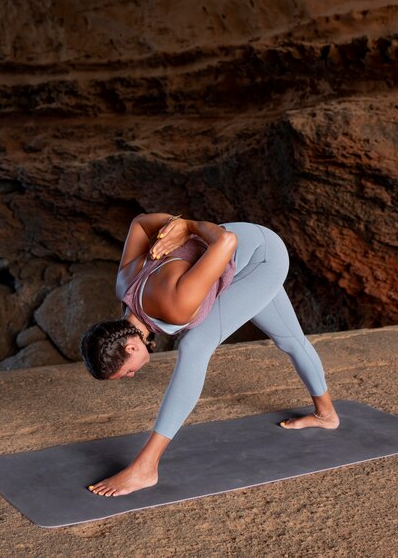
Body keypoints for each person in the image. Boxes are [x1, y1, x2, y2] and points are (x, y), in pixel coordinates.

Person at [81, 213, 340, 497]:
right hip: (240, 252)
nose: (132, 375)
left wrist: (187, 225)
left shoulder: (174, 306)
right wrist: (178, 225)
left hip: (259, 256)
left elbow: (227, 241)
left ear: (131, 347)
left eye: (126, 371)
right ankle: (326, 414)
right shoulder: (124, 286)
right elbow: (140, 223)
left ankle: (146, 466)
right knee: (290, 339)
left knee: (195, 345)